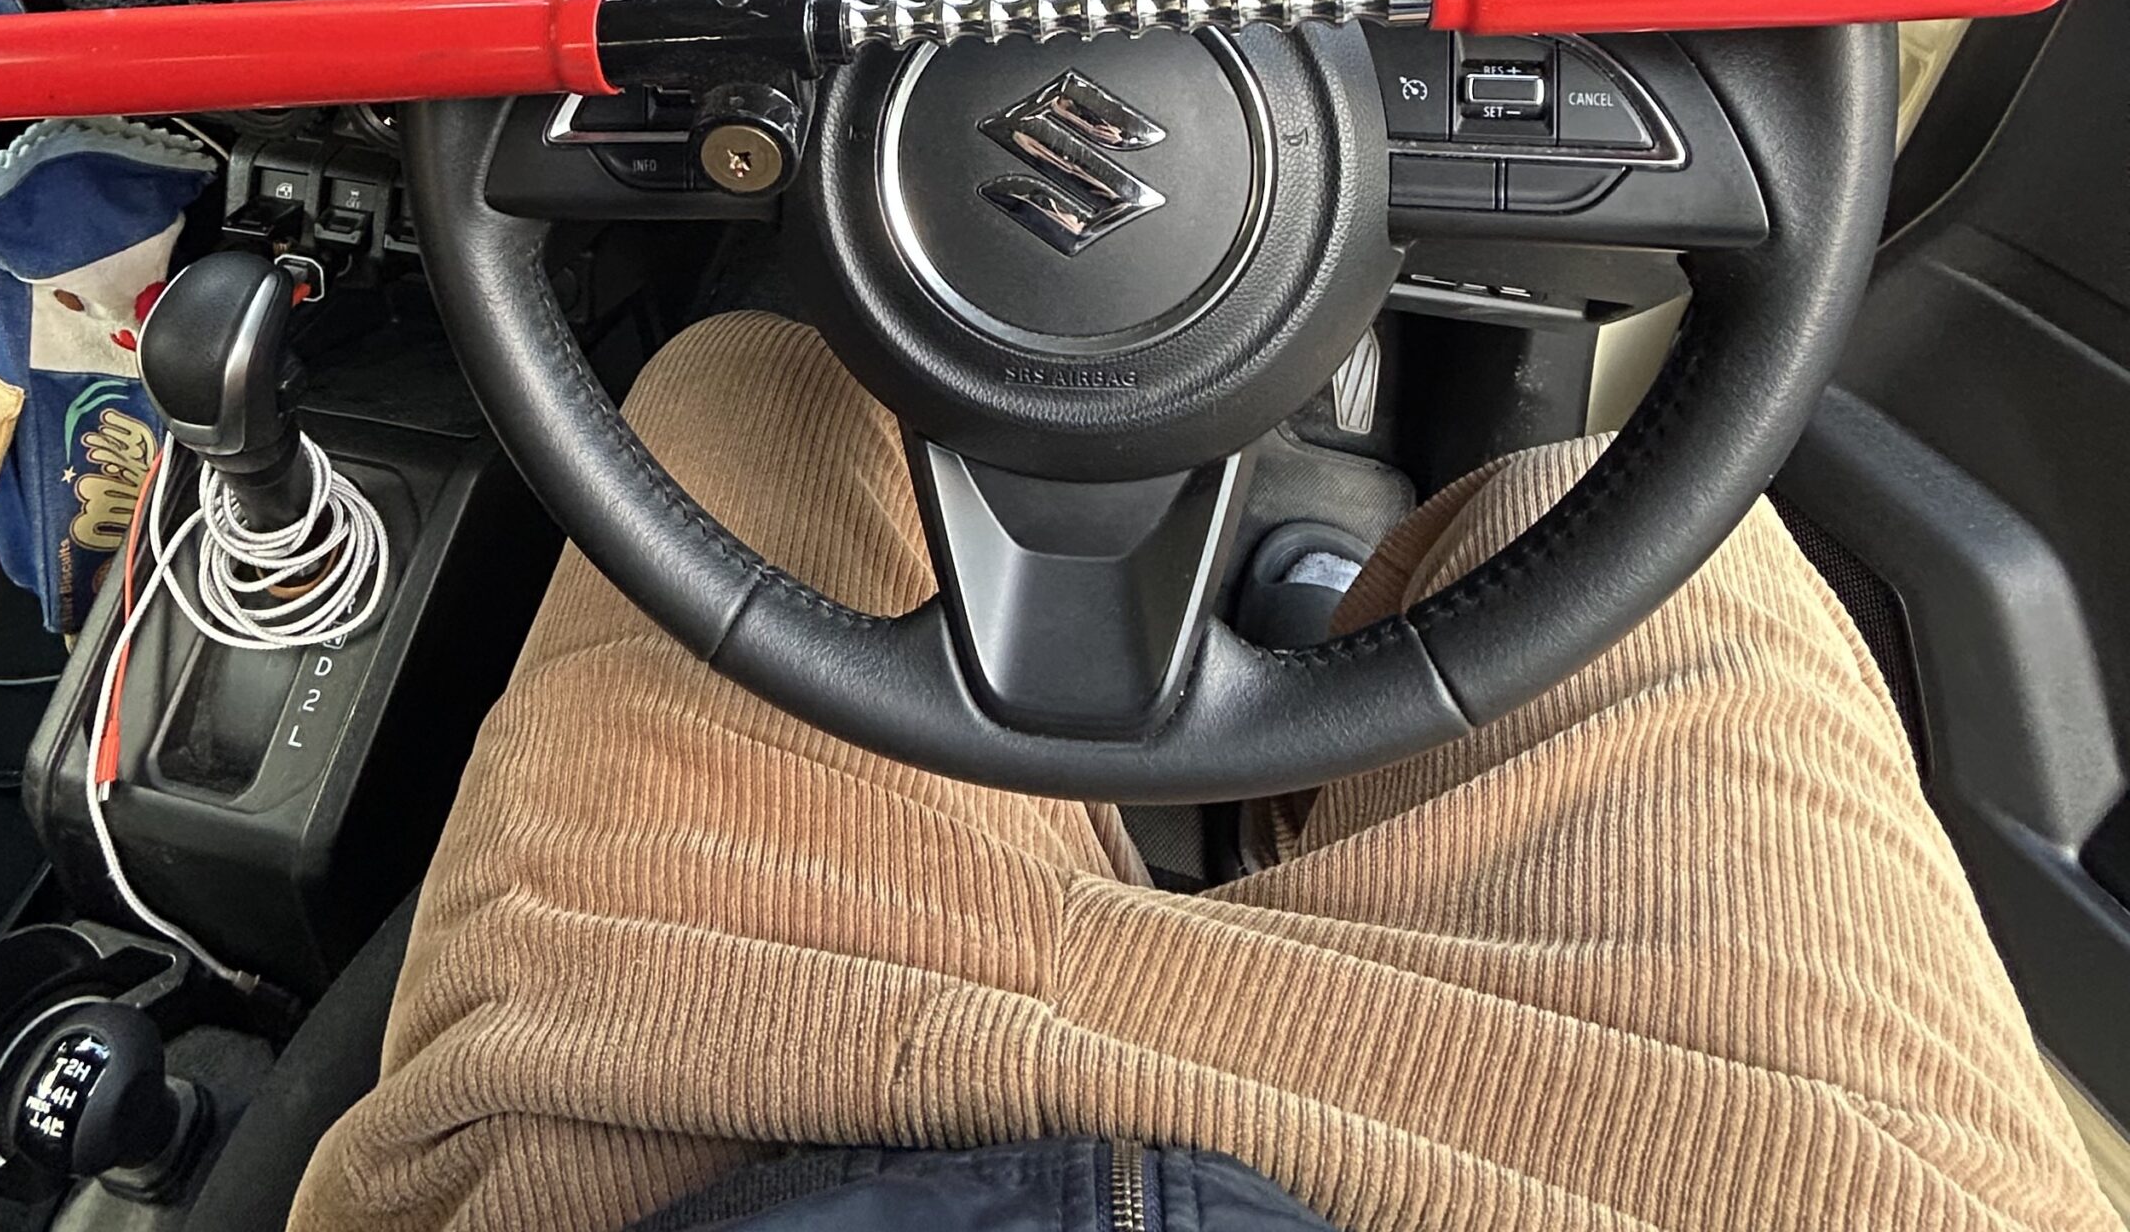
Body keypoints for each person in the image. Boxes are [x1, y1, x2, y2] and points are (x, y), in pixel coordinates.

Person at [293, 312, 2112, 1231]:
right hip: (1676, 1175)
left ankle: (1319, 657)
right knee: (1629, 546)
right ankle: (1338, 644)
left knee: (753, 389)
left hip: (730, 1150)